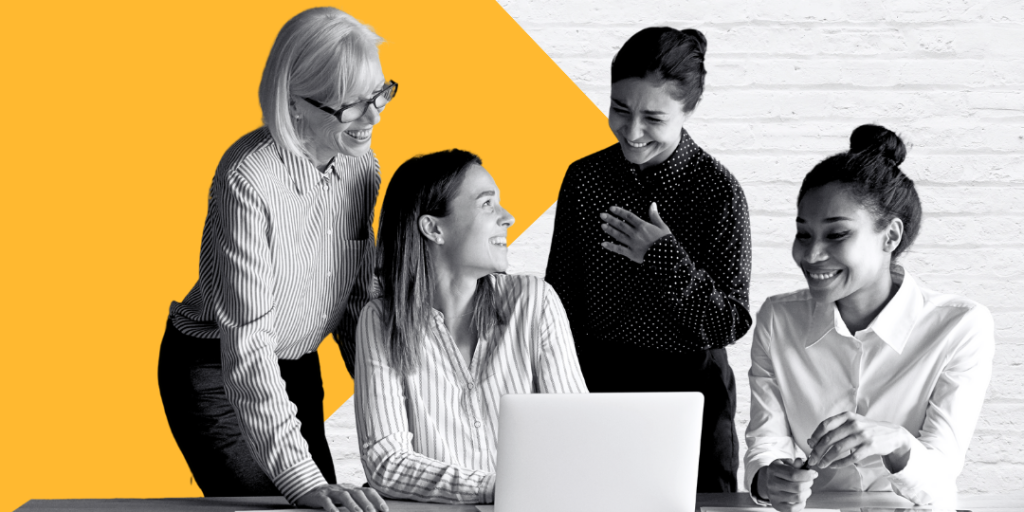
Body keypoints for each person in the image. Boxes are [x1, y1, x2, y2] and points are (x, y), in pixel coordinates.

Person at [157, 8, 396, 511]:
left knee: (336, 505)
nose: (374, 116)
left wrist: (389, 402)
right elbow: (247, 344)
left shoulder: (362, 167)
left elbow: (354, 300)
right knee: (287, 501)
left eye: (379, 94)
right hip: (218, 367)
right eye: (350, 106)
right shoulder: (247, 178)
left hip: (296, 361)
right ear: (294, 105)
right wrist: (300, 479)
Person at [744, 124, 995, 511]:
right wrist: (769, 480)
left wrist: (896, 442)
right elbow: (765, 446)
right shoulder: (779, 318)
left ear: (890, 236)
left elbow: (940, 487)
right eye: (804, 234)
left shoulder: (960, 327)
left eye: (837, 235)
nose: (811, 256)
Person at [545, 26, 752, 492]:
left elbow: (729, 324)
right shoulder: (585, 178)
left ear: (688, 109)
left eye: (653, 118)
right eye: (620, 110)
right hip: (596, 385)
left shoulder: (718, 192)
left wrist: (661, 256)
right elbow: (559, 299)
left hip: (692, 393)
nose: (632, 132)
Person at [354, 150, 588, 504]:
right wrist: (499, 489)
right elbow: (386, 463)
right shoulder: (381, 320)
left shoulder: (534, 302)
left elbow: (579, 435)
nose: (507, 217)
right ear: (434, 228)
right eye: (487, 204)